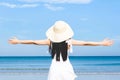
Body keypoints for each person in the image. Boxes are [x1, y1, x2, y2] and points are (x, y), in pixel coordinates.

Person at [9, 20, 113, 80]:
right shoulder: (69, 42)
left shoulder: (50, 42)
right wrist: (102, 43)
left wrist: (18, 41)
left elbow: (33, 41)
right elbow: (86, 43)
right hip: (66, 67)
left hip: (54, 68)